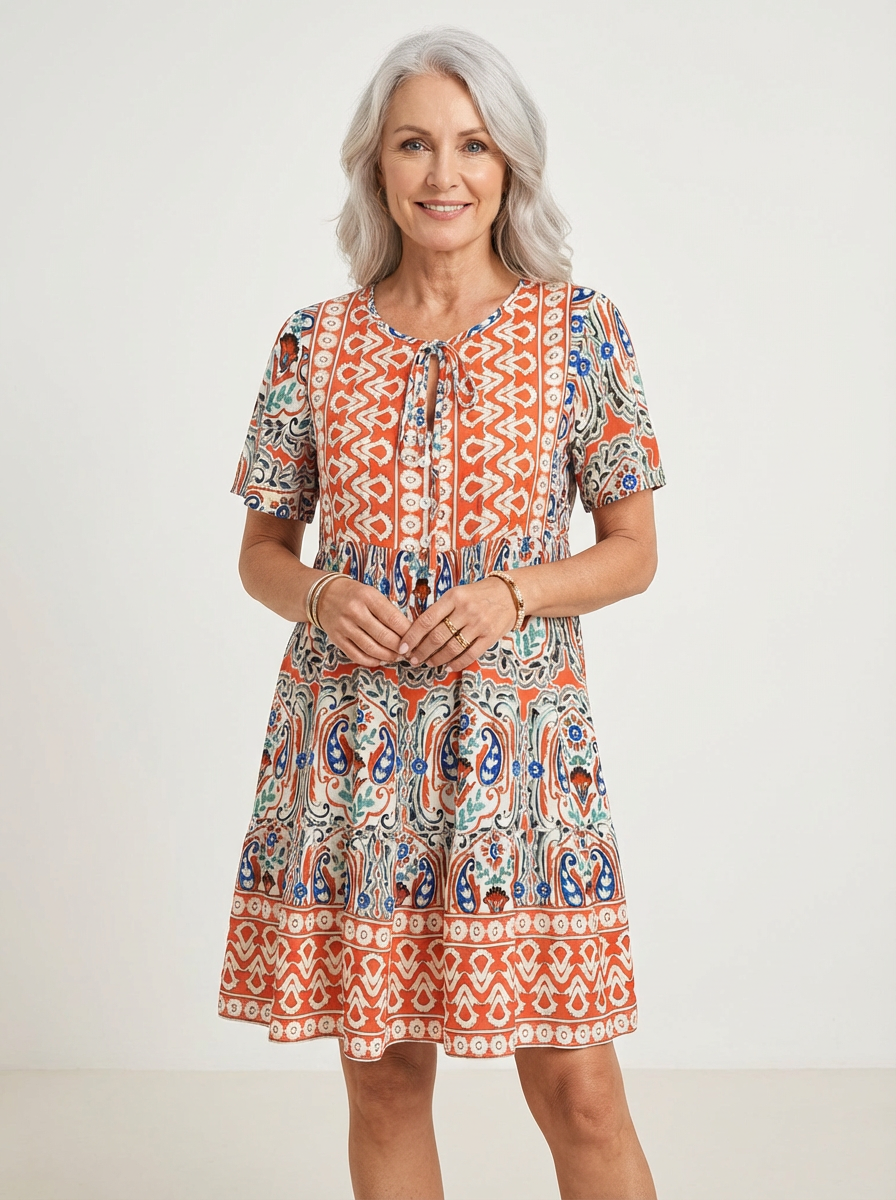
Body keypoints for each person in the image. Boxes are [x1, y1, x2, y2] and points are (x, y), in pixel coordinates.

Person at [219, 26, 665, 1200]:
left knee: (577, 1087)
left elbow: (631, 554)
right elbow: (261, 556)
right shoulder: (313, 342)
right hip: (356, 756)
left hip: (522, 768)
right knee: (383, 1081)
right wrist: (320, 593)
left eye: (472, 145)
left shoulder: (578, 330)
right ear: (375, 162)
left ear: (510, 164)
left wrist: (516, 592)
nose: (443, 174)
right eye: (413, 143)